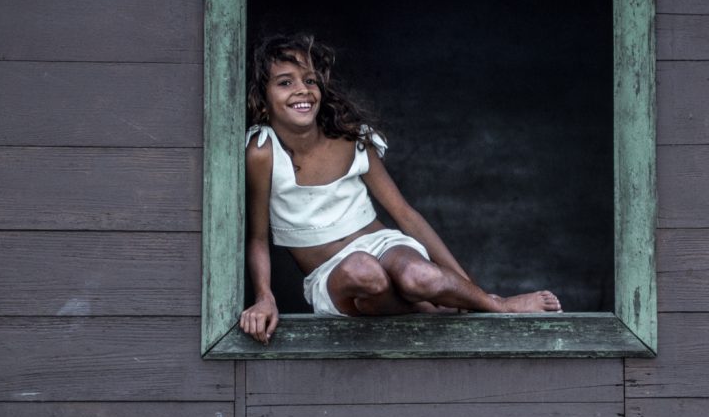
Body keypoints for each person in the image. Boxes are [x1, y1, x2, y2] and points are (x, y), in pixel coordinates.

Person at [240, 33, 562, 344]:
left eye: (310, 80)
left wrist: (471, 289)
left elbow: (405, 214)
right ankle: (429, 311)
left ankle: (493, 305)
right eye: (286, 82)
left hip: (382, 244)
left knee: (423, 277)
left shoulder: (350, 138)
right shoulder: (263, 152)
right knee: (364, 272)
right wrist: (265, 298)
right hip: (333, 275)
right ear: (263, 98)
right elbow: (257, 237)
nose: (303, 90)